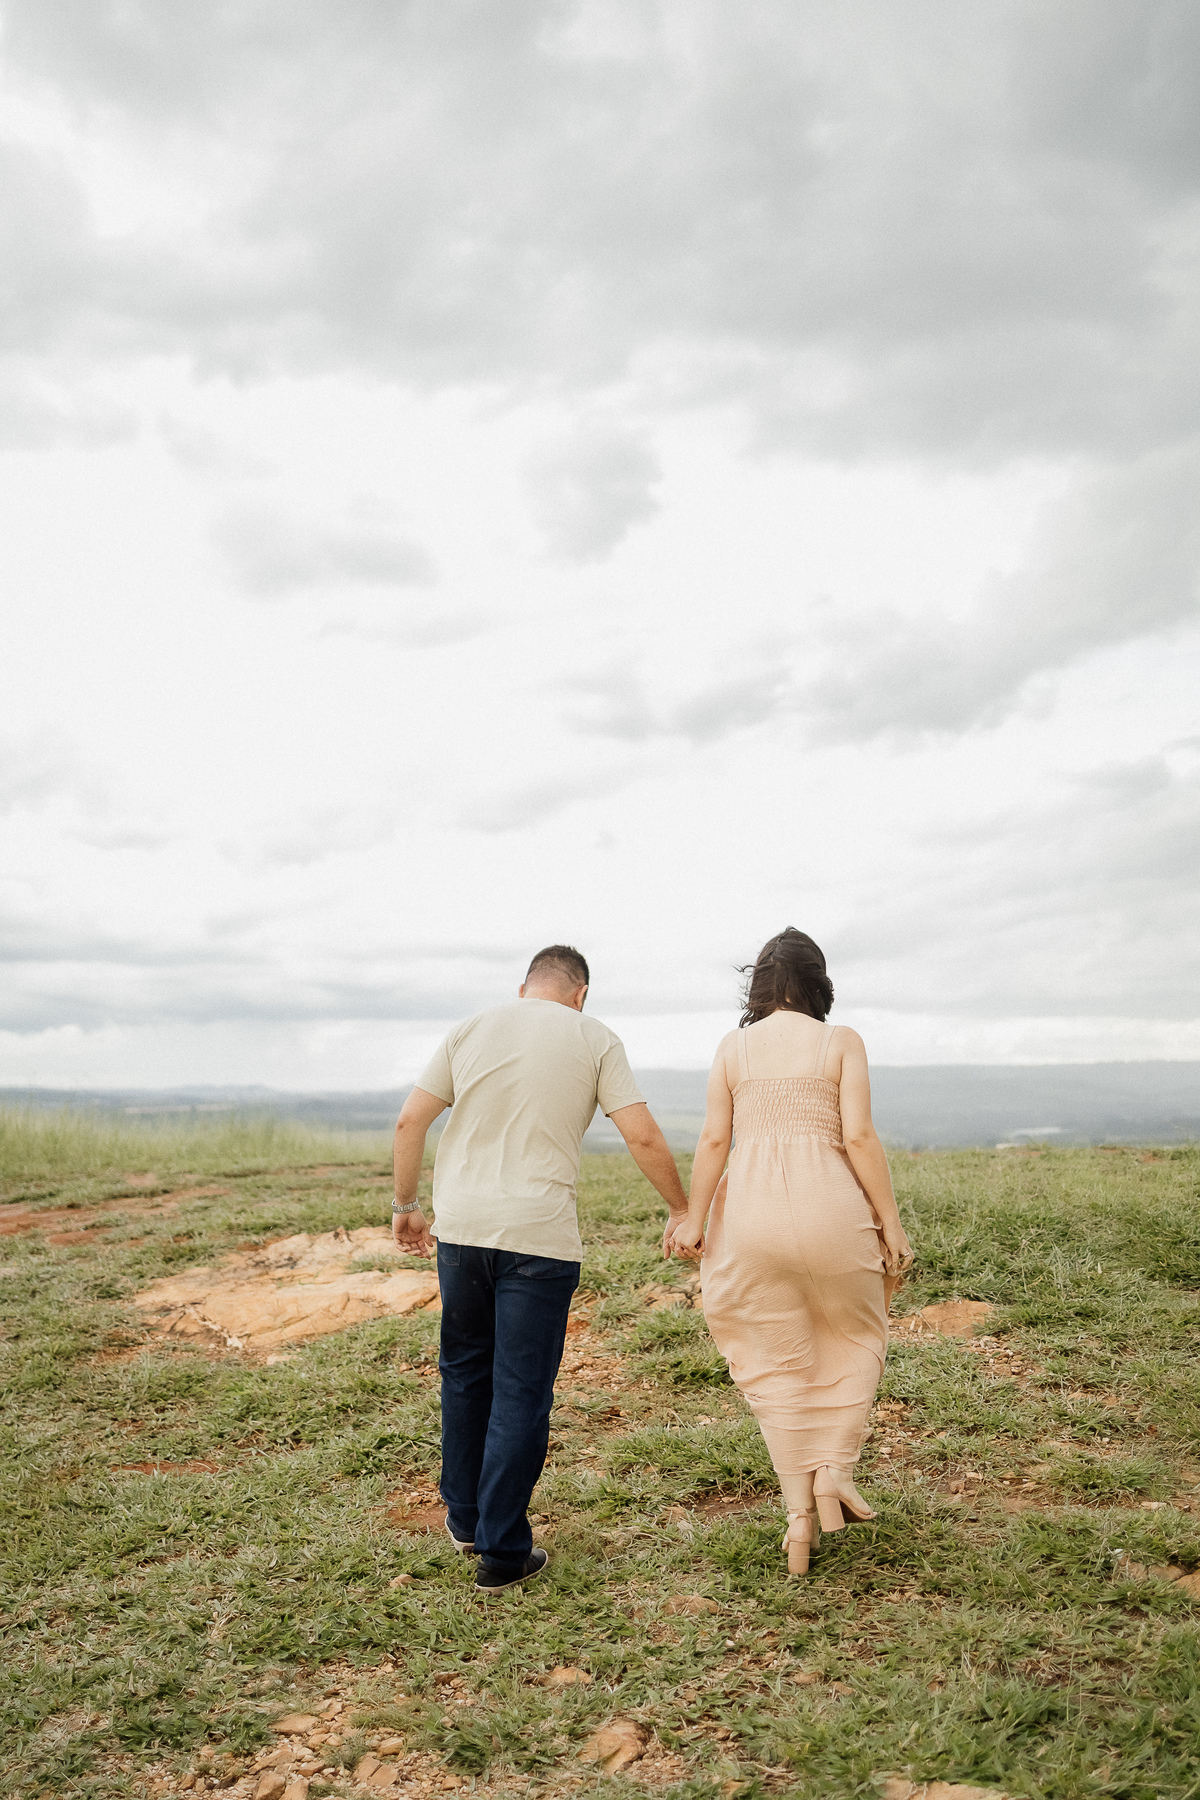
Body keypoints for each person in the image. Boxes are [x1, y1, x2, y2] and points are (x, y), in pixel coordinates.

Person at [390, 944, 689, 1593]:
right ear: (580, 994)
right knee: (521, 1391)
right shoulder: (594, 1036)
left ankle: (464, 1518)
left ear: (524, 987)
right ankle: (501, 1553)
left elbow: (411, 1119)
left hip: (462, 1231)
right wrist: (681, 1208)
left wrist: (406, 1206)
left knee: (464, 1373)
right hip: (539, 1239)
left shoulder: (470, 1028)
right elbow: (640, 1134)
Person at [669, 928, 913, 1576]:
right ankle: (835, 1469)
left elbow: (714, 1140)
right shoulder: (842, 1042)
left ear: (758, 987)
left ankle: (800, 1520)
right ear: (818, 984)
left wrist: (694, 1220)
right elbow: (858, 1137)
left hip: (751, 1219)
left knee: (776, 1364)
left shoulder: (733, 1048)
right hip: (832, 1210)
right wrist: (890, 1223)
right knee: (858, 1335)